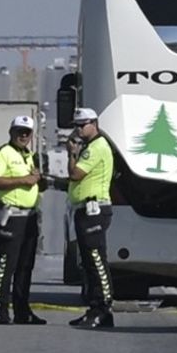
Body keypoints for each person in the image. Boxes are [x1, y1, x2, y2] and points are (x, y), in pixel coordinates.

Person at [0, 115, 45, 325]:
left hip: (30, 216)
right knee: (7, 264)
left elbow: (36, 182)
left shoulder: (30, 155)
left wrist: (40, 179)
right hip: (12, 216)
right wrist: (24, 179)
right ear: (11, 132)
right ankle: (0, 309)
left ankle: (22, 310)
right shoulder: (3, 153)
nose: (23, 136)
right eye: (20, 131)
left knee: (25, 266)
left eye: (27, 132)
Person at [66, 107, 115, 328]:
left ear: (93, 124)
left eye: (81, 125)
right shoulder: (90, 146)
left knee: (96, 260)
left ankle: (103, 308)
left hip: (94, 210)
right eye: (75, 125)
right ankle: (95, 308)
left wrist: (72, 154)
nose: (77, 130)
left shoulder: (96, 147)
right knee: (87, 262)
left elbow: (76, 174)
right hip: (84, 209)